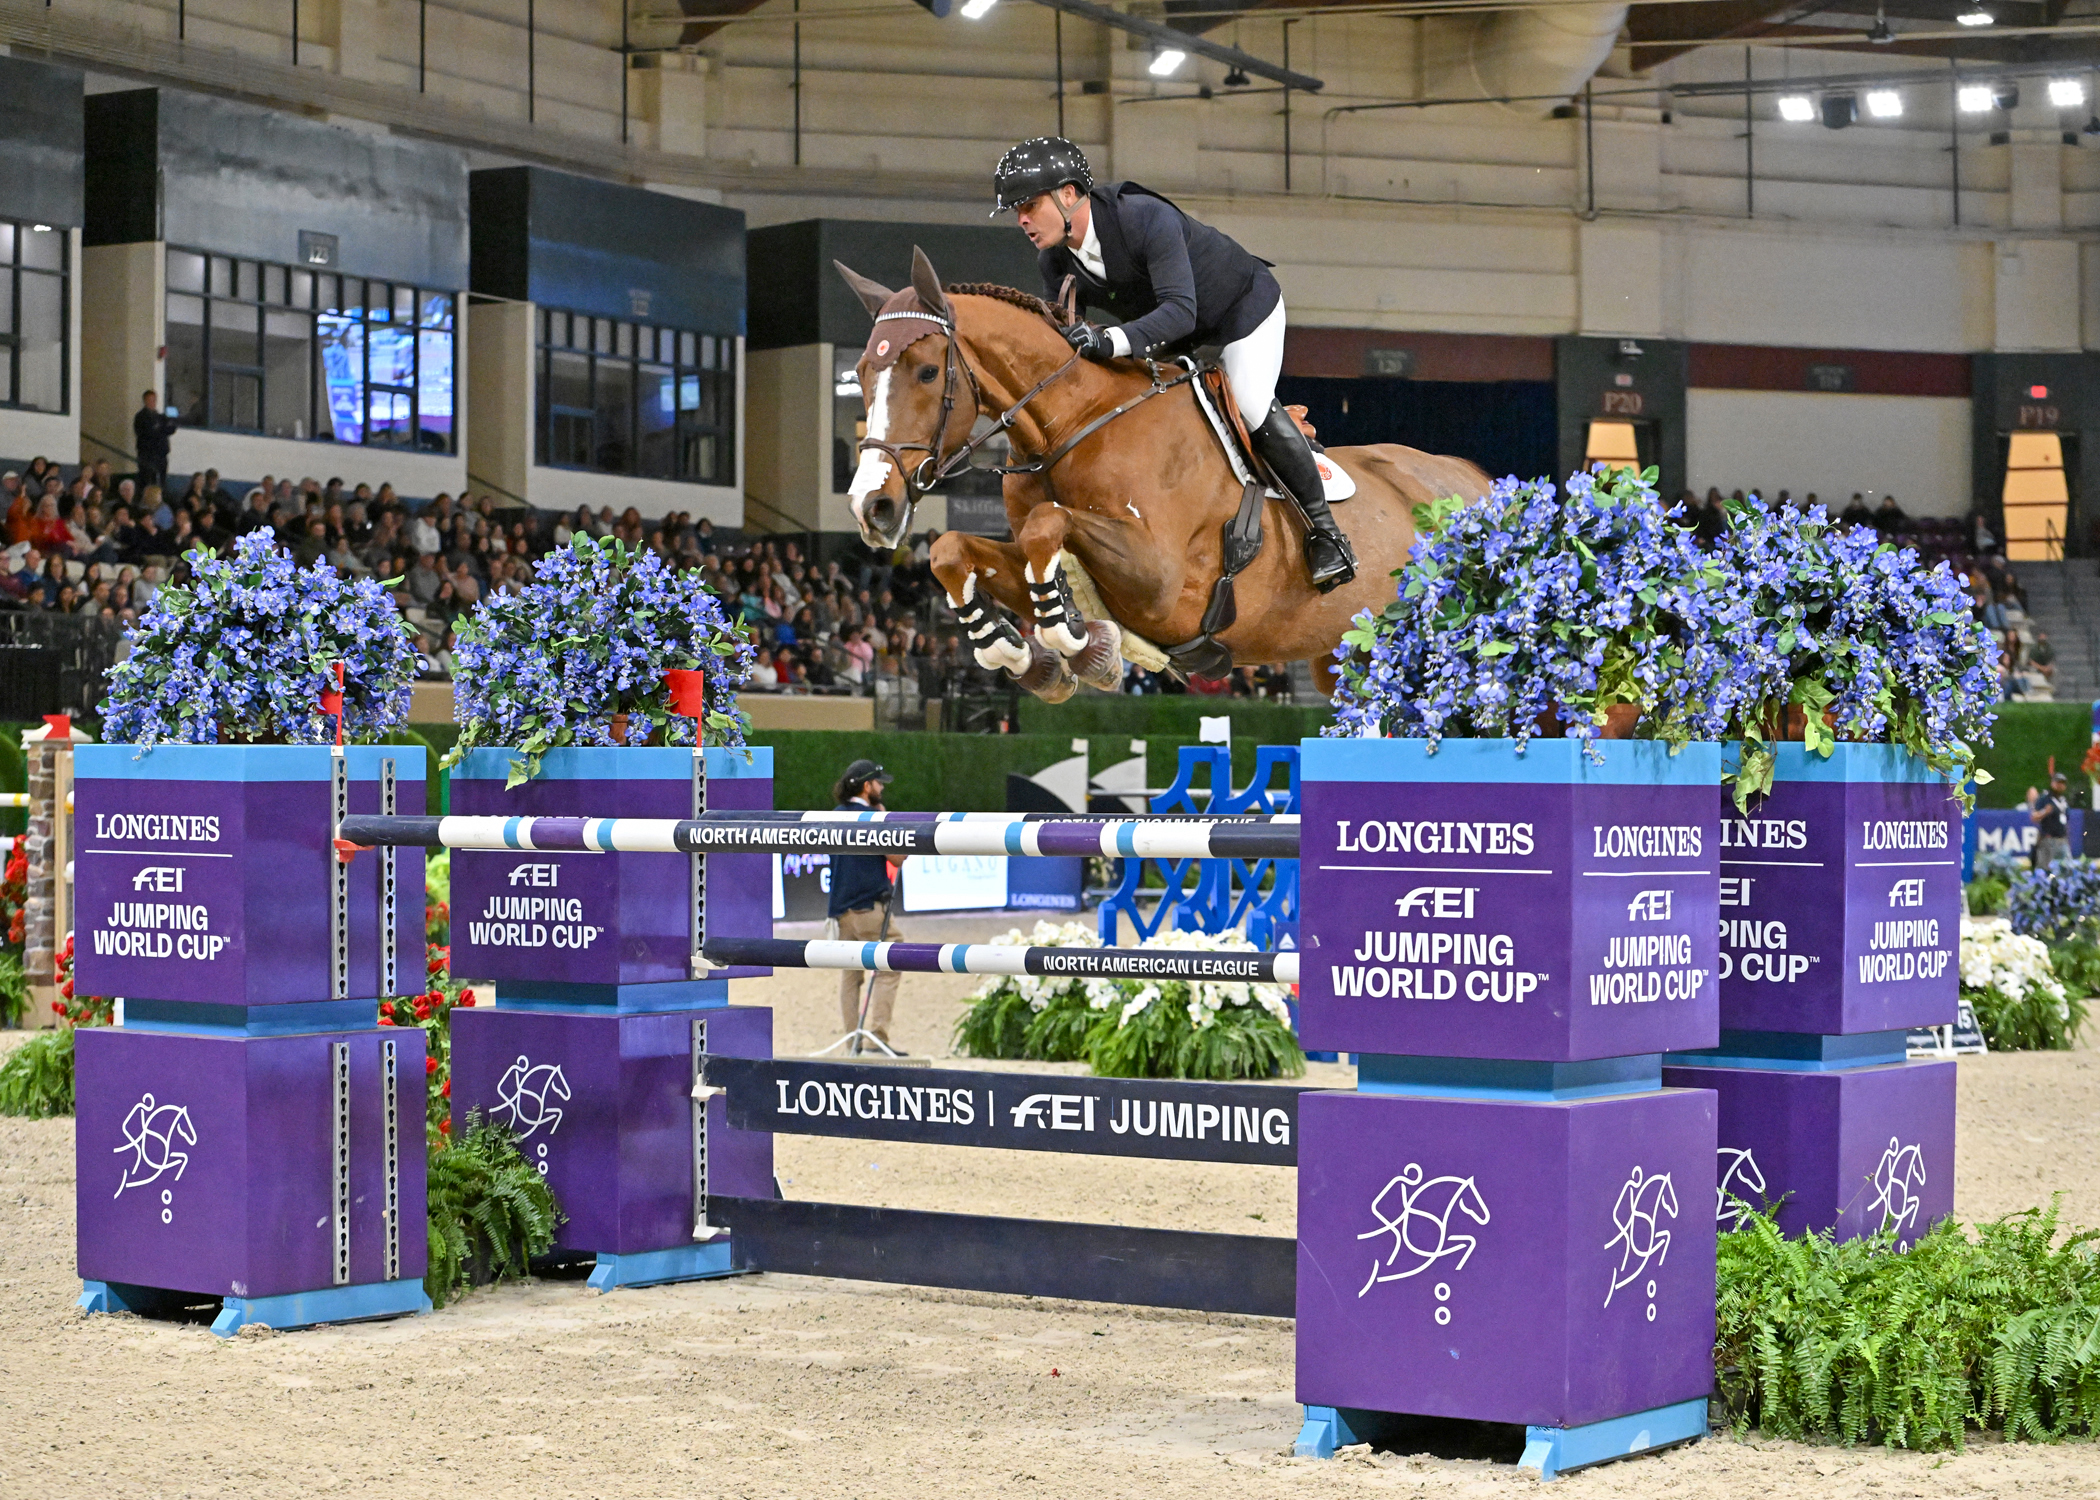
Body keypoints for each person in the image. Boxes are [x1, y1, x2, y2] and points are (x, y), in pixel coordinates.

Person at [992, 136, 1355, 591]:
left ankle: (1327, 535)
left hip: (1239, 313)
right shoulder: (1055, 262)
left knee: (1248, 402)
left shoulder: (1143, 218)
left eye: (1029, 204)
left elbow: (1180, 309)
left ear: (1068, 194)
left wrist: (1109, 340)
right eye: (1016, 211)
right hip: (1173, 337)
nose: (1022, 219)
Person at [828, 759, 904, 1053]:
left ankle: (852, 1040)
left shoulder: (835, 814)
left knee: (850, 975)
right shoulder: (874, 817)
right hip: (869, 909)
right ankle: (878, 1036)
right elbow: (897, 858)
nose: (882, 787)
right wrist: (887, 819)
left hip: (839, 910)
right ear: (866, 785)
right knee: (893, 959)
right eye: (879, 783)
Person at [132, 390, 179, 494]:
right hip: (148, 455)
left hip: (161, 454)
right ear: (145, 401)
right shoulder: (141, 417)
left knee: (161, 481)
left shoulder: (160, 417)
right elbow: (146, 433)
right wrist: (160, 429)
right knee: (148, 480)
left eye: (154, 400)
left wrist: (162, 427)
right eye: (151, 400)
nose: (153, 402)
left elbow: (170, 428)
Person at [2030, 773, 2071, 868]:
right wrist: (2045, 812)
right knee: (2046, 868)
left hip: (2062, 839)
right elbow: (2034, 817)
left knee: (2067, 867)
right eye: (2058, 782)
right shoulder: (2045, 798)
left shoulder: (2064, 801)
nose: (2060, 785)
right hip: (2048, 839)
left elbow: (2066, 821)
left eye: (2062, 783)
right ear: (2052, 783)